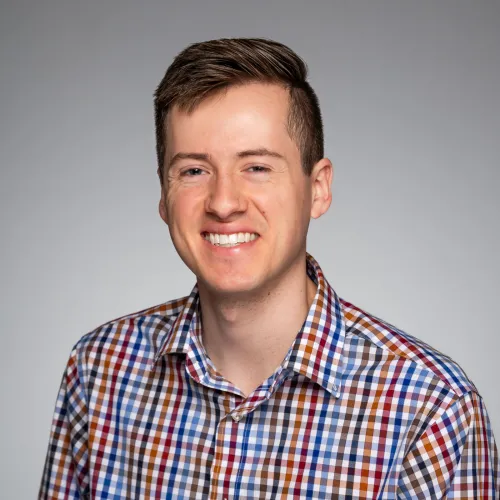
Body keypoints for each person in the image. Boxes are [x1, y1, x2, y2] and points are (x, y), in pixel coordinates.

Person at [39, 38, 498, 499]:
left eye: (256, 167)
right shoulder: (99, 370)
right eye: (194, 171)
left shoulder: (432, 411)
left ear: (317, 189)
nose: (223, 203)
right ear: (164, 194)